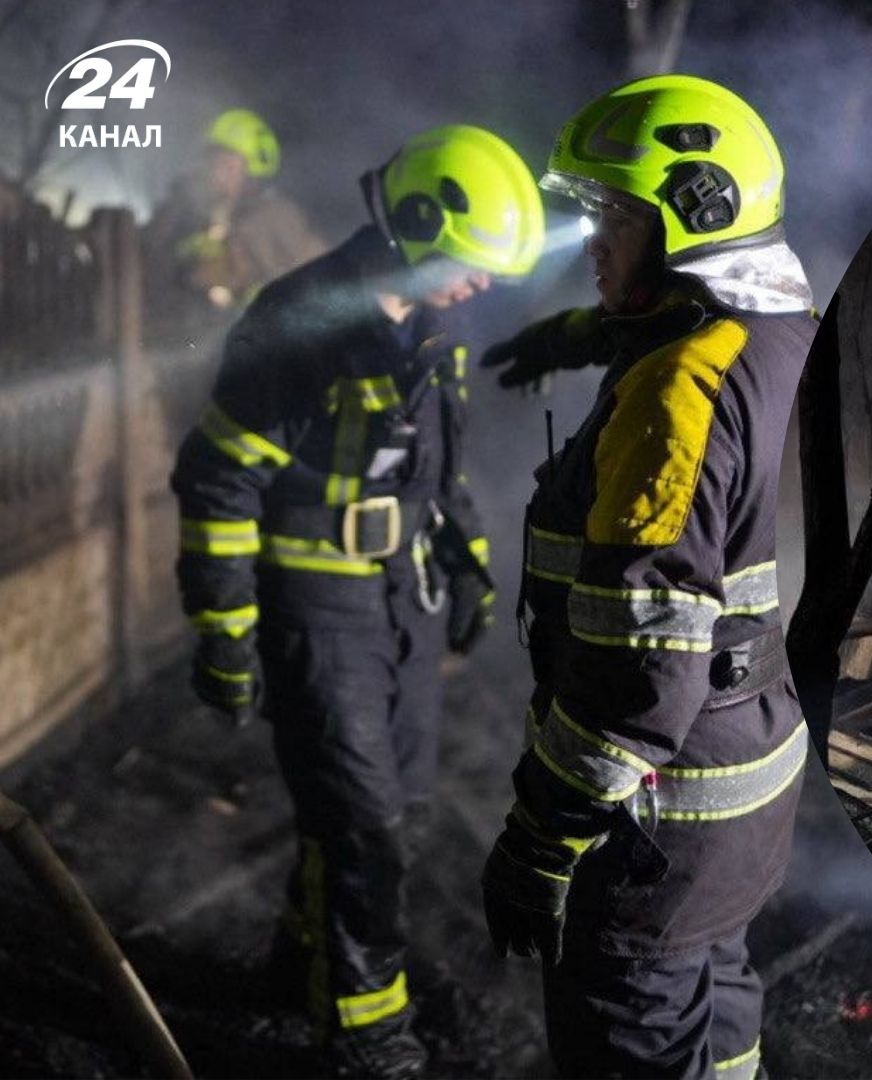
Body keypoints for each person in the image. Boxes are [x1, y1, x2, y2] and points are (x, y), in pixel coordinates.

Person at [170, 124, 544, 1077]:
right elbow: (218, 479)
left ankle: (299, 964)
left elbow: (438, 469)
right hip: (318, 607)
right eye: (470, 263)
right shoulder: (303, 320)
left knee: (389, 811)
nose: (481, 285)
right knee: (366, 826)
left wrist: (468, 563)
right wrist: (225, 632)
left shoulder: (430, 322)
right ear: (416, 225)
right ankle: (371, 1034)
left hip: (402, 600)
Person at [477, 75, 815, 1078]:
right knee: (718, 1002)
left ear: (694, 217)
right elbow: (710, 337)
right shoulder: (790, 330)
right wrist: (588, 333)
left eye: (615, 219)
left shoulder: (676, 394)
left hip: (658, 823)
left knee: (631, 1031)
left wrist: (542, 838)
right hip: (751, 786)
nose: (591, 243)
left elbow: (636, 676)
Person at [146, 108, 326, 317]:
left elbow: (226, 270)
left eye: (227, 165)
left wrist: (185, 265)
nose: (216, 174)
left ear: (252, 174)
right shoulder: (198, 213)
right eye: (212, 163)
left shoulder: (274, 219)